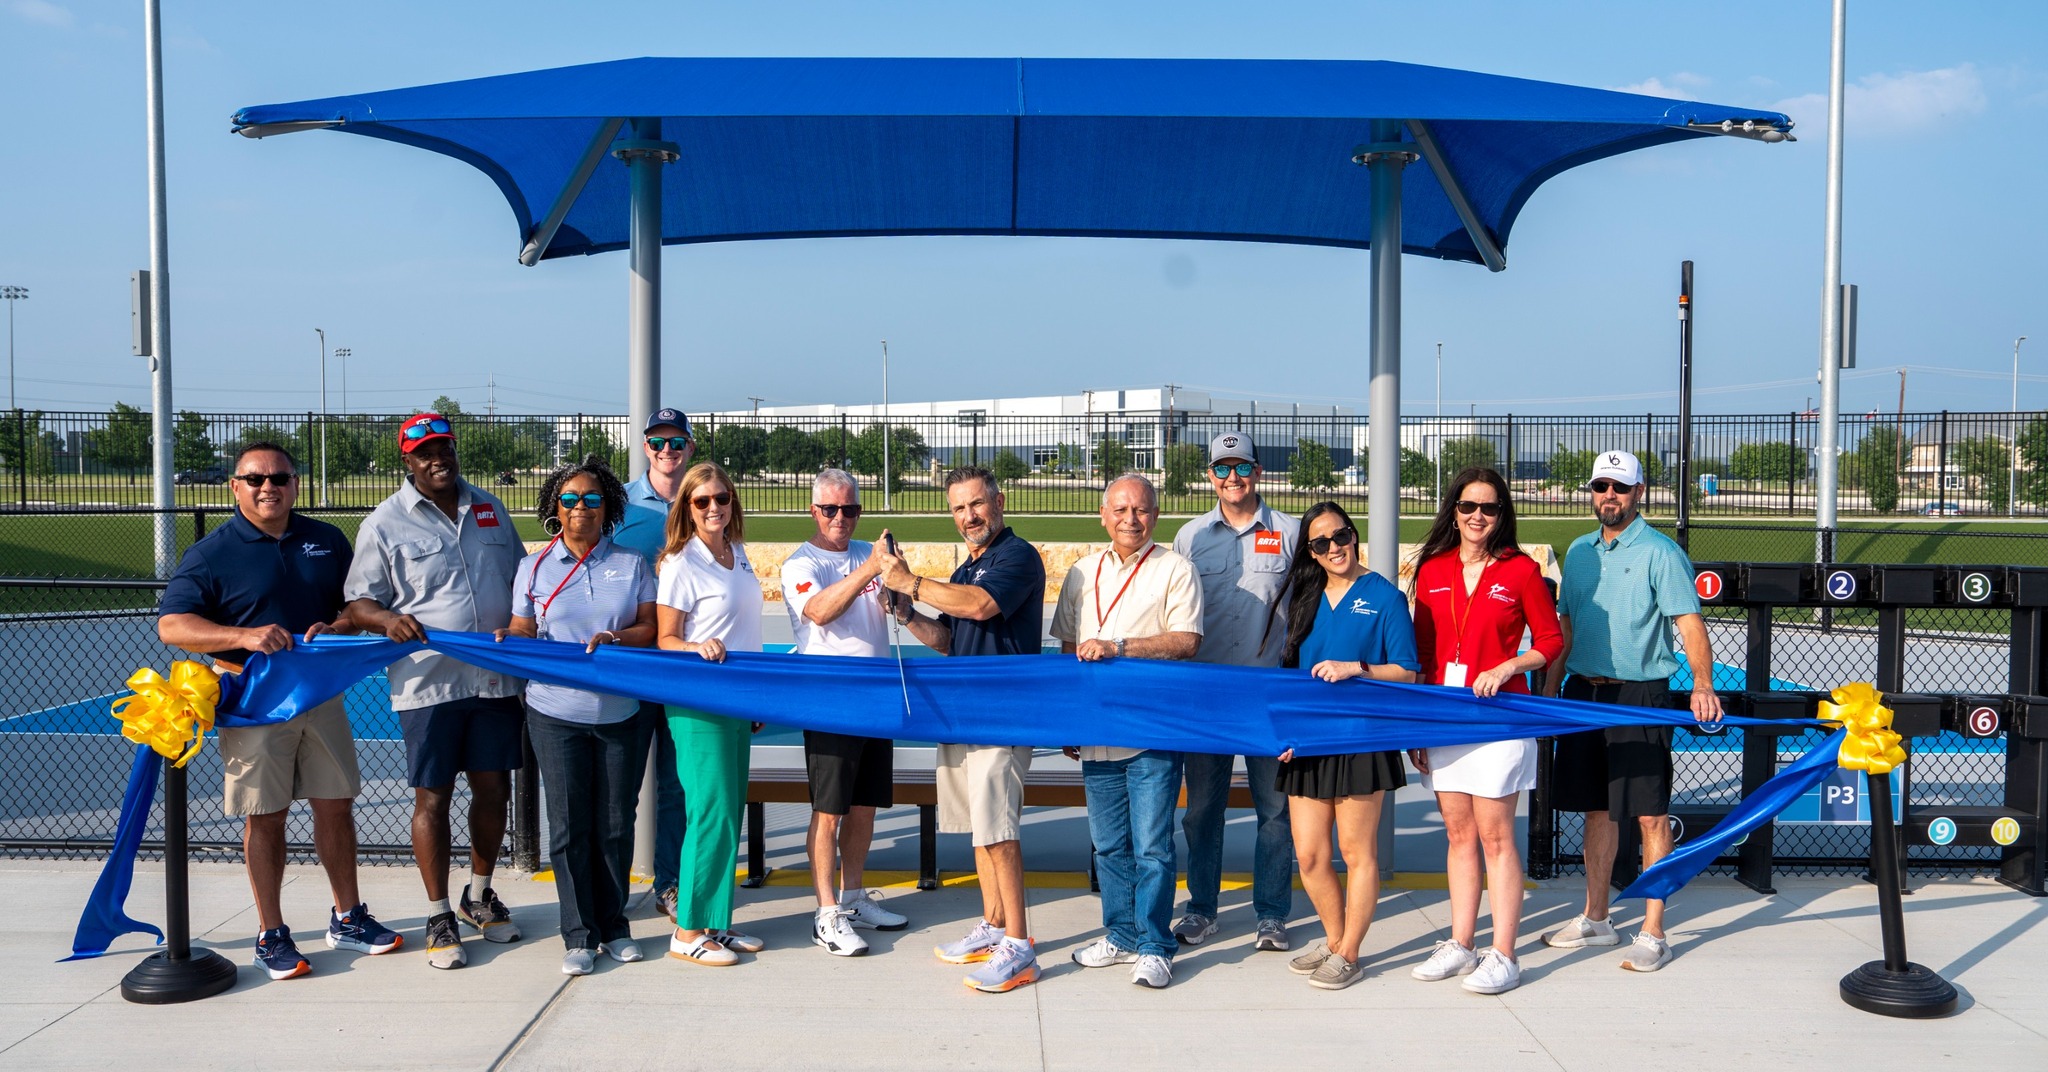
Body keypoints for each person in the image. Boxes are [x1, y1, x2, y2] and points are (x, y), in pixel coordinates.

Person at [156, 442, 401, 981]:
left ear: (295, 483)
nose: (269, 487)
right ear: (235, 486)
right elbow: (173, 626)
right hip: (254, 702)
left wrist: (339, 625)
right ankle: (271, 933)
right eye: (255, 478)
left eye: (280, 478)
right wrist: (241, 635)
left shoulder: (325, 539)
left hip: (320, 694)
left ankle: (348, 917)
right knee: (265, 816)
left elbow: (354, 606)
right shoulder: (211, 553)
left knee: (335, 804)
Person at [344, 413, 527, 970]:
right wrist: (385, 620)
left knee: (494, 791)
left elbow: (525, 581)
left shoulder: (490, 508)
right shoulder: (384, 524)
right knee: (433, 798)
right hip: (430, 683)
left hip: (494, 681)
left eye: (443, 447)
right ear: (408, 460)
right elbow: (358, 604)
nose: (437, 459)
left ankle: (478, 892)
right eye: (424, 452)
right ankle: (438, 911)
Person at [1540, 449, 1723, 972]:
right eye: (1601, 487)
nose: (1609, 497)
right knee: (1598, 809)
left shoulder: (1661, 552)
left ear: (1639, 492)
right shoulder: (1577, 552)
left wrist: (1702, 685)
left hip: (1640, 694)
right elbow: (1568, 627)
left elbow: (1689, 624)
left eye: (1619, 487)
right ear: (1592, 493)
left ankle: (1653, 930)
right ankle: (1597, 919)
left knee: (1649, 812)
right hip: (1584, 693)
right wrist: (1553, 689)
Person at [872, 465, 1045, 994]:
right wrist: (905, 611)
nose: (969, 516)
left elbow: (981, 606)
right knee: (978, 828)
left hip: (1001, 716)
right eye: (958, 508)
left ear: (999, 502)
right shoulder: (968, 566)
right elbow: (949, 639)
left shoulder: (1017, 556)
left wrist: (911, 582)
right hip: (963, 716)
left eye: (976, 504)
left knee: (999, 830)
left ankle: (1019, 945)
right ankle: (993, 926)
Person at [493, 457, 657, 976]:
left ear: (608, 507)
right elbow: (523, 630)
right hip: (553, 713)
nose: (580, 507)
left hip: (620, 713)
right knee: (567, 827)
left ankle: (615, 926)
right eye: (569, 499)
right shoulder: (533, 568)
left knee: (614, 824)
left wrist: (615, 638)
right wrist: (508, 639)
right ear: (554, 509)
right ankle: (579, 933)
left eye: (591, 498)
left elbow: (650, 629)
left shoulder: (632, 564)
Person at [1405, 467, 1564, 995]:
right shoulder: (1431, 569)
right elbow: (1424, 653)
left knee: (1496, 836)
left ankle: (1505, 954)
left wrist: (1512, 666)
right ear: (1454, 510)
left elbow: (1551, 640)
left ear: (1502, 515)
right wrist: (1420, 724)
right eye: (1469, 506)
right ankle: (1461, 942)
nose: (1478, 516)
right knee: (1458, 834)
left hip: (1500, 718)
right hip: (1446, 717)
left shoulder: (1520, 570)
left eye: (1489, 508)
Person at [1052, 475, 1203, 989]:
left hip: (1151, 730)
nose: (1130, 519)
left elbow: (1186, 642)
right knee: (1109, 845)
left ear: (1155, 515)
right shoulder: (1081, 571)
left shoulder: (1175, 568)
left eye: (1140, 510)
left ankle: (1155, 943)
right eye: (1120, 510)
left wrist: (1119, 645)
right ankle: (1119, 935)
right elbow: (1067, 646)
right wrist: (1070, 717)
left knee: (1153, 846)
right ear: (1103, 515)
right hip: (1096, 728)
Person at [1266, 501, 1418, 991]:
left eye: (1342, 536)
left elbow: (1408, 672)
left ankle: (1351, 952)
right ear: (1310, 552)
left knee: (1357, 853)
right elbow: (1291, 677)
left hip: (1361, 739)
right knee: (1309, 856)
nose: (1334, 548)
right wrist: (1285, 734)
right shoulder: (1305, 600)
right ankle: (1335, 940)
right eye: (1321, 542)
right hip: (1309, 741)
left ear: (1355, 536)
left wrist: (1359, 669)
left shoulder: (1385, 596)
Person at [1170, 430, 1298, 952]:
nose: (1232, 478)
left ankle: (1271, 914)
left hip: (1269, 695)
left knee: (1275, 810)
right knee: (1202, 809)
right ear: (1210, 476)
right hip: (1207, 698)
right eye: (1222, 469)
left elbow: (1309, 609)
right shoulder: (1189, 537)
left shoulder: (1290, 532)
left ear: (1259, 471)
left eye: (1242, 467)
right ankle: (1202, 909)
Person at [781, 468, 910, 957]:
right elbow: (819, 611)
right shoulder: (801, 562)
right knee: (829, 810)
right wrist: (873, 570)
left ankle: (854, 896)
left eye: (851, 509)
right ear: (814, 511)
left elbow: (895, 604)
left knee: (864, 806)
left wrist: (897, 582)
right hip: (831, 698)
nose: (841, 518)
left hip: (875, 694)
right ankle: (826, 911)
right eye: (831, 509)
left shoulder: (867, 554)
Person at [655, 462, 767, 966]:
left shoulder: (737, 554)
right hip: (700, 702)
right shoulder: (681, 562)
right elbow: (665, 639)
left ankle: (715, 922)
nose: (714, 507)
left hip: (738, 699)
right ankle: (686, 932)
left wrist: (758, 698)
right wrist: (696, 646)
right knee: (709, 812)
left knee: (728, 813)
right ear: (687, 508)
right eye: (702, 501)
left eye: (721, 498)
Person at [610, 407, 695, 921]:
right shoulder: (619, 503)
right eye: (658, 443)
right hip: (635, 662)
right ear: (645, 447)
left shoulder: (705, 498)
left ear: (689, 446)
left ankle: (669, 883)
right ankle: (612, 888)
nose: (667, 452)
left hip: (683, 667)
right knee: (619, 787)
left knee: (675, 785)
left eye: (676, 443)